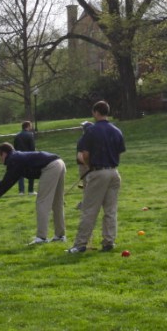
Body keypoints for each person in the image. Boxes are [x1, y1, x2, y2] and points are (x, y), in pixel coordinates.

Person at [67, 101, 126, 253]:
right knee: (110, 210)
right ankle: (108, 242)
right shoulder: (117, 131)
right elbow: (119, 153)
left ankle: (80, 244)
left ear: (95, 112)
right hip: (114, 172)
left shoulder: (91, 131)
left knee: (89, 210)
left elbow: (85, 154)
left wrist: (90, 166)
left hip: (98, 172)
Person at [0, 142, 67, 244]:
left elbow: (5, 182)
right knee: (57, 202)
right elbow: (8, 184)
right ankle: (60, 236)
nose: (0, 159)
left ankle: (41, 238)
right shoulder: (17, 158)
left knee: (42, 202)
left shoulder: (13, 159)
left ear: (4, 153)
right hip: (59, 163)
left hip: (51, 167)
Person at [13, 121, 37, 195]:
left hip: (19, 156)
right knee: (31, 173)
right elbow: (32, 147)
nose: (31, 127)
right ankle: (30, 190)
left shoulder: (17, 135)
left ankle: (21, 191)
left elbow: (15, 147)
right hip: (29, 156)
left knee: (20, 174)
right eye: (30, 126)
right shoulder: (30, 135)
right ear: (28, 126)